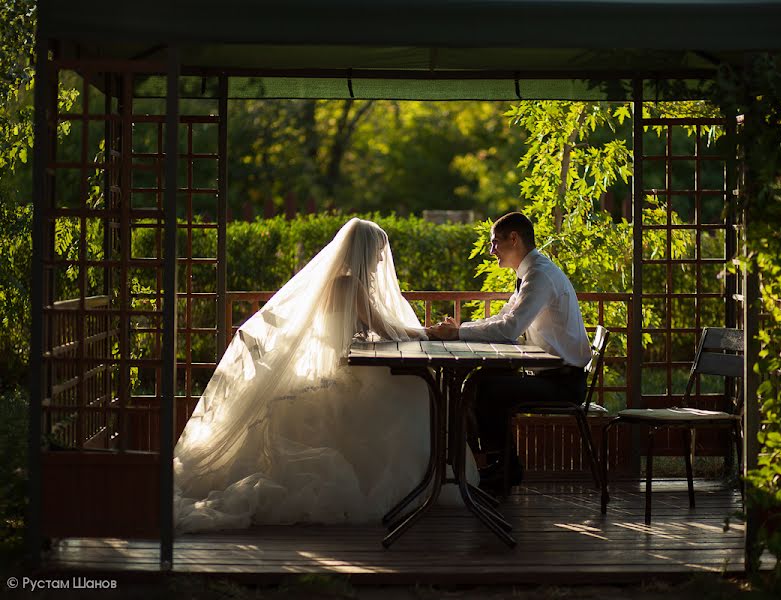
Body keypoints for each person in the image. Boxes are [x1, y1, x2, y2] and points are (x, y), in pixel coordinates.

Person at [174, 218, 477, 533]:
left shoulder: (338, 281)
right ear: (365, 252)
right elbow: (383, 328)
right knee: (414, 392)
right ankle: (419, 484)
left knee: (413, 387)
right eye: (377, 254)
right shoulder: (349, 284)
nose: (379, 262)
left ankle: (426, 480)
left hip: (343, 366)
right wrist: (431, 332)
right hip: (343, 373)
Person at [427, 212, 591, 494]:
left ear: (513, 239)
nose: (491, 251)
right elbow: (503, 317)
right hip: (551, 375)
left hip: (564, 383)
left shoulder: (539, 275)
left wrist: (458, 334)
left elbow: (509, 329)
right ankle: (501, 466)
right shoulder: (532, 273)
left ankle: (505, 470)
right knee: (481, 381)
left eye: (494, 243)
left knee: (487, 389)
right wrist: (461, 328)